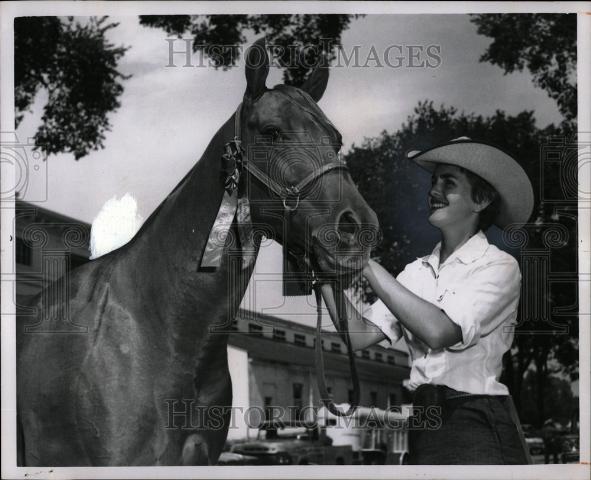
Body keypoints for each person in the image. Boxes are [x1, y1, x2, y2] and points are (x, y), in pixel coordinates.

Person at [330, 137, 534, 465]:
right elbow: (358, 335)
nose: (433, 190)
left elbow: (439, 331)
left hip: (476, 420)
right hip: (424, 422)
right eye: (433, 180)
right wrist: (322, 273)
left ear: (480, 200)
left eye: (448, 182)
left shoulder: (499, 266)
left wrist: (364, 261)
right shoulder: (415, 272)